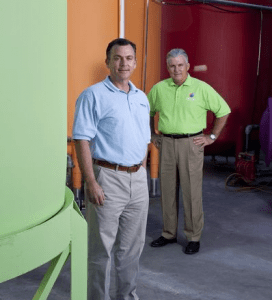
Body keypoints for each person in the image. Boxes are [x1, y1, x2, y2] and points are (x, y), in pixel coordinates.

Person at [73, 38, 150, 300]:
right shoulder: (93, 95)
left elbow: (144, 139)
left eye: (129, 58)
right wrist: (90, 181)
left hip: (137, 180)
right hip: (107, 177)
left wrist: (142, 170)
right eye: (117, 58)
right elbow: (81, 139)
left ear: (135, 62)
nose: (123, 63)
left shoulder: (141, 98)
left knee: (132, 248)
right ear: (108, 62)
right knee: (101, 249)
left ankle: (128, 297)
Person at [148, 48, 231, 254]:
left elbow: (223, 110)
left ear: (187, 66)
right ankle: (168, 233)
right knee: (167, 191)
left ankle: (193, 236)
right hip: (166, 143)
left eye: (180, 65)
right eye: (172, 65)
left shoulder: (201, 88)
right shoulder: (159, 89)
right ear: (168, 67)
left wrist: (211, 136)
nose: (176, 69)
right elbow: (146, 111)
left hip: (191, 144)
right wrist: (152, 134)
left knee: (191, 191)